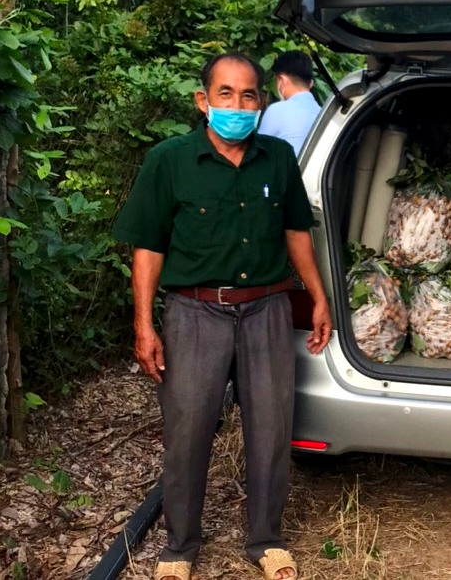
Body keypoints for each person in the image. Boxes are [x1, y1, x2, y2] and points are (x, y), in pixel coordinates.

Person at [112, 52, 333, 580]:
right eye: (226, 94)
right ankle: (180, 548)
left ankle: (266, 539)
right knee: (187, 430)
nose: (238, 105)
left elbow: (296, 232)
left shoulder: (277, 158)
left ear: (262, 101)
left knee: (272, 427)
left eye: (249, 95)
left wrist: (318, 295)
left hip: (267, 311)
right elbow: (148, 247)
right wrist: (144, 324)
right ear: (203, 100)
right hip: (194, 313)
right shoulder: (170, 160)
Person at [257, 50, 321, 156]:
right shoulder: (322, 113)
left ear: (282, 80)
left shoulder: (277, 110)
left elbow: (259, 154)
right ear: (311, 83)